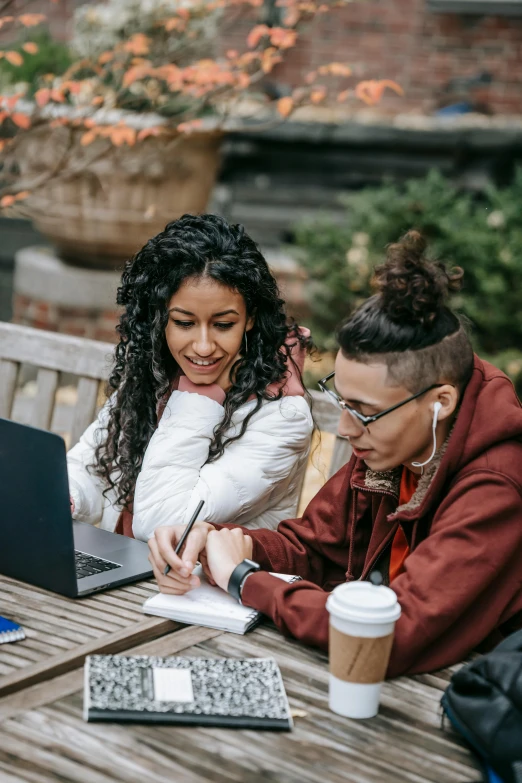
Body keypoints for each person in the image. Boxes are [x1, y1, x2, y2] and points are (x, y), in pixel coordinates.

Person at [148, 230, 522, 677]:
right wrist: (213, 538)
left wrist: (244, 579)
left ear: (440, 401)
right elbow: (311, 546)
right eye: (341, 401)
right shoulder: (400, 439)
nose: (346, 430)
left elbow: (389, 634)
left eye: (364, 411)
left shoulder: (497, 484)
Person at [67, 214, 313, 543]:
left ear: (250, 318)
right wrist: (67, 497)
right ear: (161, 318)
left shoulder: (282, 416)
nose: (203, 346)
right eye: (184, 322)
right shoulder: (155, 374)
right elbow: (89, 469)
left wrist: (199, 397)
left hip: (199, 586)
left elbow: (160, 525)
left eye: (223, 324)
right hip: (125, 571)